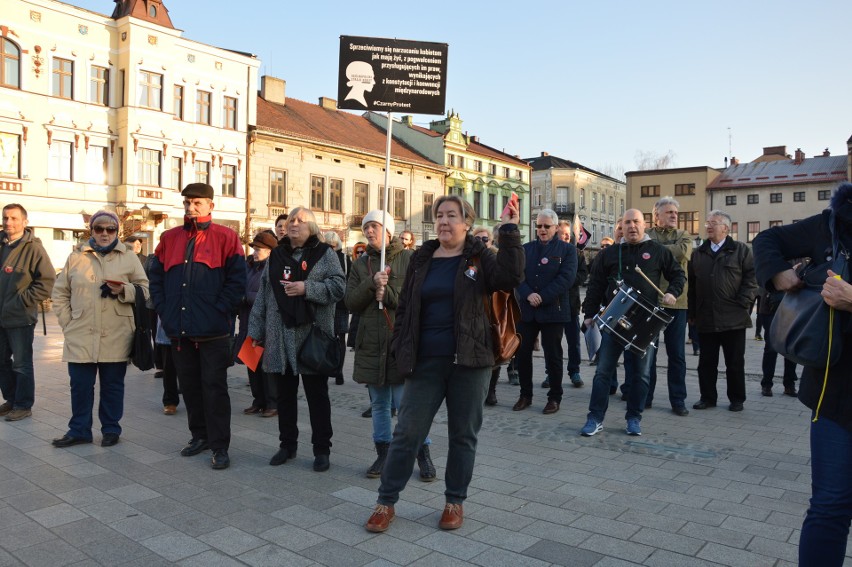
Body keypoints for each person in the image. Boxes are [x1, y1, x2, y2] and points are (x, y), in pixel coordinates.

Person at [365, 195, 523, 533]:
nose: (444, 222)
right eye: (439, 215)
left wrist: (509, 230)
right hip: (426, 362)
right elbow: (406, 307)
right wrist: (400, 348)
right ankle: (385, 502)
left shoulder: (481, 257)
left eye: (452, 215)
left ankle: (454, 501)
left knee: (463, 435)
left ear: (467, 222)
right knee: (407, 433)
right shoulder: (422, 258)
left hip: (471, 360)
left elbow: (511, 277)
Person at [753, 182, 852, 566]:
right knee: (829, 507)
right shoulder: (831, 224)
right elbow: (767, 240)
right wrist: (778, 274)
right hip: (835, 392)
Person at [148, 183, 247, 470]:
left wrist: (220, 312)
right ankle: (199, 436)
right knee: (189, 387)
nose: (191, 208)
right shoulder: (168, 238)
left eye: (198, 203)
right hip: (179, 330)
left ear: (210, 206)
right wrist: (165, 312)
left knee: (214, 389)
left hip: (213, 331)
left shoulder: (227, 238)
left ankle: (220, 446)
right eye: (188, 203)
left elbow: (236, 282)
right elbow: (156, 280)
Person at [248, 207, 345, 472]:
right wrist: (255, 331)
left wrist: (307, 288)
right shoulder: (277, 255)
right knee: (284, 396)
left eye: (300, 220)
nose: (293, 223)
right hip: (280, 334)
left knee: (317, 397)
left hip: (311, 336)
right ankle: (287, 445)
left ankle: (322, 450)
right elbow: (264, 295)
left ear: (312, 228)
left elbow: (339, 288)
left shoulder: (325, 255)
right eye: (291, 219)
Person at [347, 210, 436, 480]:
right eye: (366, 227)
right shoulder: (361, 264)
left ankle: (423, 456)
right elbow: (350, 302)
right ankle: (383, 454)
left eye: (374, 226)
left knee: (408, 405)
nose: (369, 231)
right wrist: (370, 285)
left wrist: (391, 294)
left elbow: (419, 299)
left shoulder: (409, 259)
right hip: (371, 343)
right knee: (379, 404)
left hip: (400, 341)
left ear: (388, 230)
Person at [580, 209, 684, 437]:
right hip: (613, 321)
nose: (632, 226)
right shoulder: (608, 254)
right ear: (622, 227)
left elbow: (678, 275)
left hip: (645, 325)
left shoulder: (658, 251)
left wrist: (672, 293)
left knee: (641, 375)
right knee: (602, 373)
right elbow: (595, 285)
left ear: (644, 225)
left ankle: (634, 417)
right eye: (627, 222)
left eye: (636, 222)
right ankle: (595, 418)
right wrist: (588, 314)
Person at [50, 210, 149, 447]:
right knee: (80, 386)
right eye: (99, 229)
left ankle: (111, 429)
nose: (104, 233)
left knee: (113, 386)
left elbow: (145, 291)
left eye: (110, 229)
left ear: (117, 231)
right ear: (91, 231)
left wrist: (123, 290)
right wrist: (68, 322)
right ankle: (79, 430)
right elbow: (60, 293)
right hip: (81, 332)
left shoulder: (128, 257)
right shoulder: (76, 257)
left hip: (117, 332)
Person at [689, 210, 757, 412]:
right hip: (706, 316)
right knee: (706, 362)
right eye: (707, 223)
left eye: (714, 223)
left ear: (726, 228)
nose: (708, 226)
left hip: (733, 317)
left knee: (734, 362)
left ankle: (737, 399)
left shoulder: (740, 250)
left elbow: (751, 278)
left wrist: (743, 302)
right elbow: (692, 286)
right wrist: (692, 313)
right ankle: (707, 398)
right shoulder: (698, 253)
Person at [513, 209, 577, 415]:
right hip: (528, 310)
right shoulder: (526, 249)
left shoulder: (567, 250)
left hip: (553, 310)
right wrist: (527, 294)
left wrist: (543, 296)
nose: (541, 230)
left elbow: (566, 279)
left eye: (546, 226)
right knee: (522, 354)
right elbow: (518, 276)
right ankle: (525, 395)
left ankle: (554, 397)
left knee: (553, 355)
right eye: (539, 226)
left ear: (556, 228)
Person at [0, 204, 56, 422]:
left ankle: (23, 405)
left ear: (24, 221)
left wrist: (21, 302)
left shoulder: (33, 249)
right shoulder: (2, 243)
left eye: (13, 218)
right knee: (1, 361)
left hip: (20, 317)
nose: (8, 222)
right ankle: (12, 400)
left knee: (21, 363)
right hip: (0, 317)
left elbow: (47, 282)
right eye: (5, 218)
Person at [645, 197, 692, 416]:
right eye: (669, 212)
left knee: (677, 355)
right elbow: (646, 255)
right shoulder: (648, 236)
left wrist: (658, 251)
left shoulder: (684, 235)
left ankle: (678, 400)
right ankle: (646, 397)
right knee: (648, 353)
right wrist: (660, 250)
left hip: (678, 302)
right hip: (651, 301)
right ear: (656, 216)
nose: (674, 215)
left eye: (675, 212)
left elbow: (682, 252)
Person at [238, 230, 279, 418]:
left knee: (266, 366)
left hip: (266, 324)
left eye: (259, 249)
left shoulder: (274, 268)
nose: (255, 252)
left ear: (270, 251)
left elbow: (272, 297)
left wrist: (247, 297)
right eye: (254, 248)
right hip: (248, 320)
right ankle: (258, 400)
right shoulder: (250, 266)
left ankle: (272, 402)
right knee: (251, 363)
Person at [756, 287, 798, 397]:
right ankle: (766, 383)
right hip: (769, 306)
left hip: (792, 307)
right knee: (771, 347)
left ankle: (789, 384)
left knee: (790, 347)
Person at [323, 231, 349, 385]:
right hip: (338, 302)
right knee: (335, 338)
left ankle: (336, 370)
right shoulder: (344, 258)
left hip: (336, 303)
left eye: (332, 246)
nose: (331, 248)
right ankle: (335, 370)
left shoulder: (341, 258)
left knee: (335, 338)